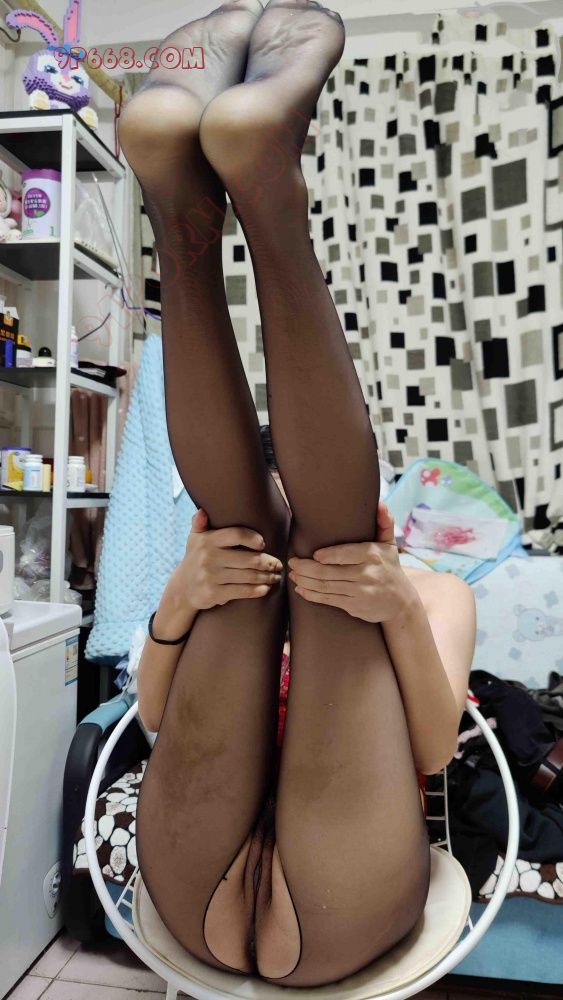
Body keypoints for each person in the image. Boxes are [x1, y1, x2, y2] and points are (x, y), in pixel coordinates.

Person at [118, 0, 477, 987]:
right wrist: (180, 600)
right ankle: (250, 180)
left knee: (322, 563)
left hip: (265, 883)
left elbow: (433, 748)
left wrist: (393, 604)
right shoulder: (229, 568)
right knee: (253, 550)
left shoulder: (436, 592)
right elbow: (153, 718)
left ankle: (193, 198)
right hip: (238, 877)